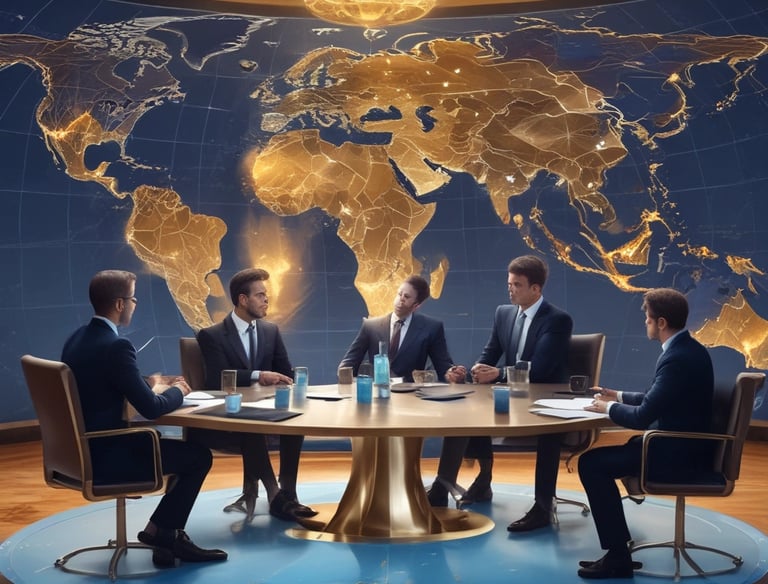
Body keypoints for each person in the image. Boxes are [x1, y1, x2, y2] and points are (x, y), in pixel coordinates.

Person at [61, 269, 227, 568]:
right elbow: (152, 409)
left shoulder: (77, 339)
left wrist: (147, 383)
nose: (135, 305)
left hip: (78, 452)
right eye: (134, 299)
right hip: (109, 455)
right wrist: (176, 389)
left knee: (180, 452)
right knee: (198, 457)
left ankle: (161, 532)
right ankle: (164, 533)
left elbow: (102, 382)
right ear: (121, 304)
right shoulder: (117, 346)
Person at [427, 255, 573, 528]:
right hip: (510, 395)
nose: (511, 289)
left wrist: (500, 374)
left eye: (517, 284)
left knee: (550, 430)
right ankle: (448, 485)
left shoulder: (558, 320)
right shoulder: (503, 313)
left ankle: (542, 507)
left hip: (545, 398)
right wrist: (472, 371)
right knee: (464, 407)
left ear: (536, 289)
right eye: (509, 283)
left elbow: (541, 369)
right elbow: (490, 354)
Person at [577, 288, 714, 579]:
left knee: (590, 464)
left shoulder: (677, 359)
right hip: (681, 445)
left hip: (676, 453)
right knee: (598, 461)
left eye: (647, 318)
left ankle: (617, 557)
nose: (645, 323)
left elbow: (643, 417)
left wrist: (607, 407)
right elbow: (657, 398)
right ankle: (618, 550)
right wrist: (617, 395)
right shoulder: (687, 350)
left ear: (661, 322)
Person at [194, 268, 317, 522]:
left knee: (296, 422)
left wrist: (295, 381)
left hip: (265, 413)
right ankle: (274, 496)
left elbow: (284, 372)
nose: (266, 300)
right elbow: (217, 378)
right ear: (242, 299)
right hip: (228, 421)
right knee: (251, 429)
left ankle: (289, 494)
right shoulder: (212, 335)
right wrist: (257, 375)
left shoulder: (271, 330)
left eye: (266, 295)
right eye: (260, 295)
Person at [338, 275, 466, 383]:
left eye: (406, 297)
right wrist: (352, 380)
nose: (400, 300)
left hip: (411, 398)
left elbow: (443, 367)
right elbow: (348, 364)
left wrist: (453, 373)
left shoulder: (431, 328)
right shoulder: (371, 326)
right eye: (399, 294)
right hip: (377, 393)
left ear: (416, 305)